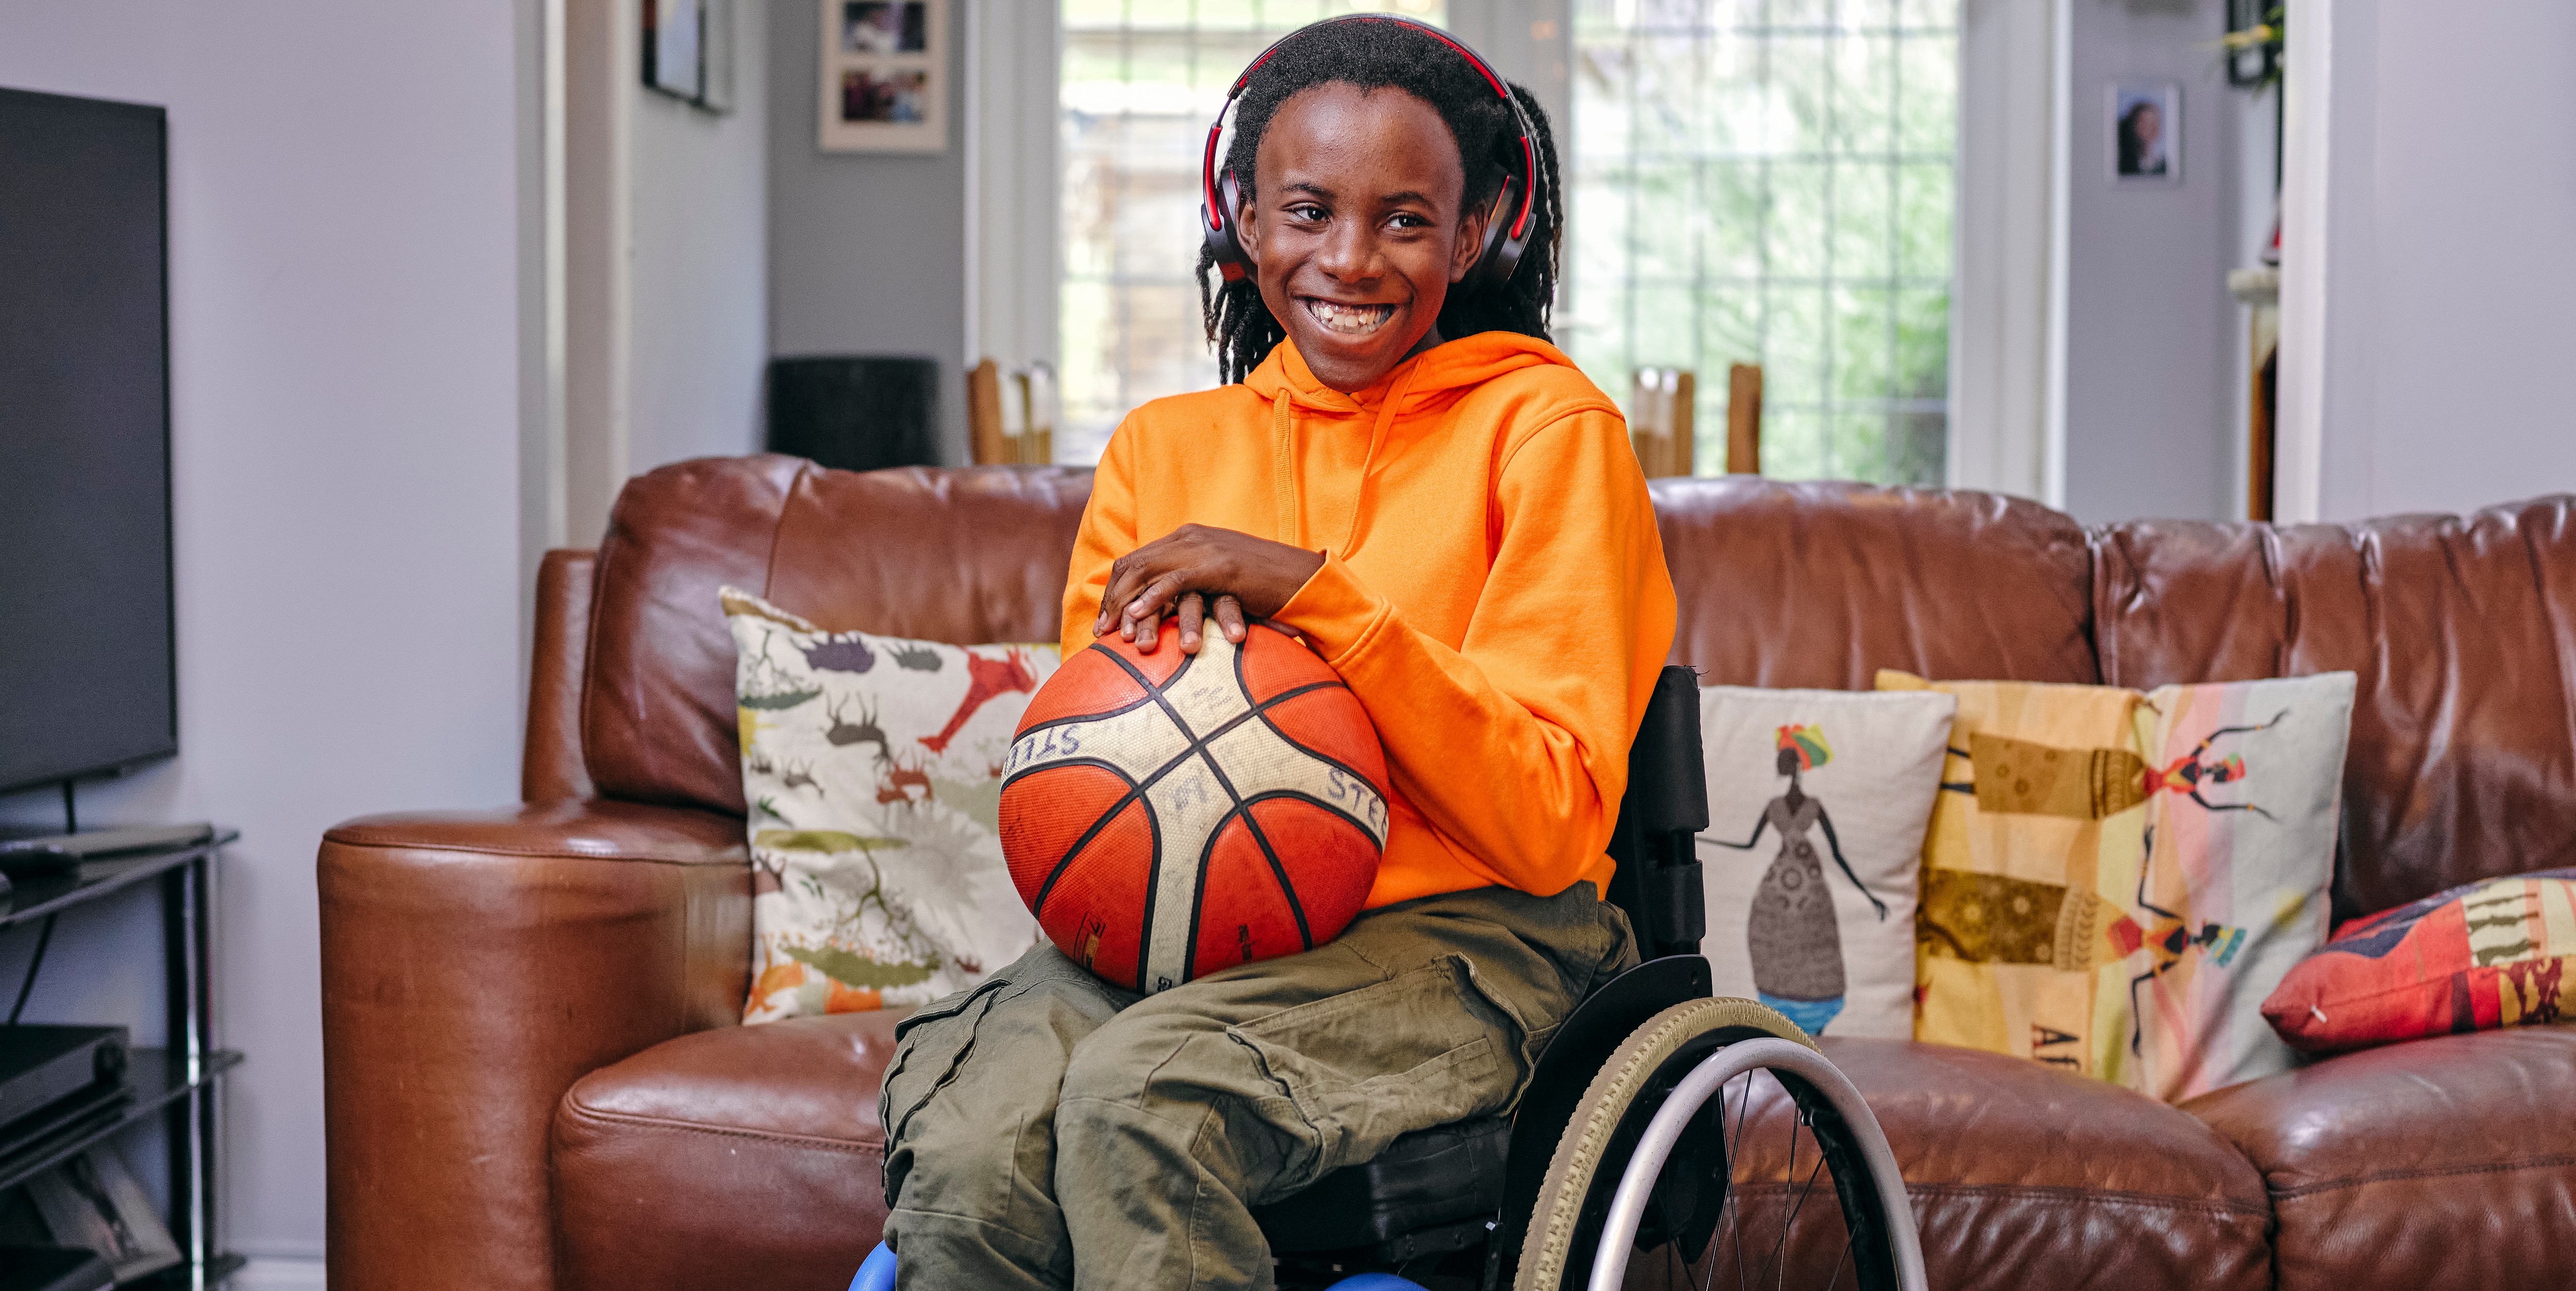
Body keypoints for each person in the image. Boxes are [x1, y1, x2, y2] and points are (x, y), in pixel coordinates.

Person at [875, 17, 1676, 1289]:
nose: (1350, 259)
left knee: (1149, 1096)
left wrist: (1316, 597)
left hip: (1470, 934)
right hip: (1175, 930)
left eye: (1406, 220)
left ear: (1476, 236)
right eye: (1308, 209)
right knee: (974, 1150)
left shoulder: (1548, 432)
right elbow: (1095, 761)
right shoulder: (1163, 451)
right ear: (1242, 218)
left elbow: (1541, 821)